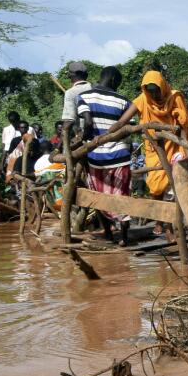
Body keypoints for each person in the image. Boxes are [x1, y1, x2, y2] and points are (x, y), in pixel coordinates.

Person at [95, 70, 188, 200]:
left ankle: (169, 218)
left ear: (162, 86)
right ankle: (159, 217)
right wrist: (105, 135)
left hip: (173, 145)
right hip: (153, 147)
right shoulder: (143, 100)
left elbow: (184, 124)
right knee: (155, 183)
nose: (153, 94)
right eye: (149, 90)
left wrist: (186, 150)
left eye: (156, 90)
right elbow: (122, 122)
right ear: (145, 89)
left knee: (173, 184)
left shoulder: (174, 97)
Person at [76, 64, 134, 244]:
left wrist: (85, 140)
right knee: (121, 195)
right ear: (115, 80)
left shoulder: (84, 96)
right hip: (119, 156)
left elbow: (86, 124)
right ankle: (124, 237)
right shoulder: (125, 101)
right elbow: (129, 129)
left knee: (98, 196)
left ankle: (108, 233)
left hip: (95, 157)